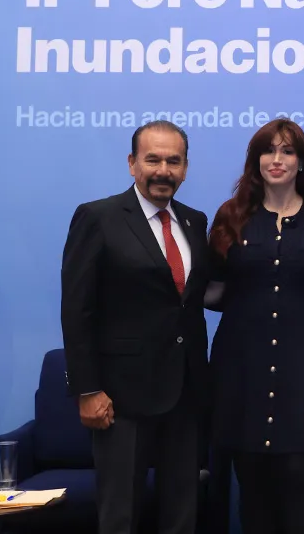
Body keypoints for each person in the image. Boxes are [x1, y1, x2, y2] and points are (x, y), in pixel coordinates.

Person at [61, 120, 210, 534]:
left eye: (173, 161)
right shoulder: (98, 217)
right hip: (120, 398)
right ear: (132, 163)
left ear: (185, 168)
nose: (163, 170)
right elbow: (77, 310)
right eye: (152, 160)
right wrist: (87, 389)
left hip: (186, 393)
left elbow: (192, 299)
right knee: (120, 517)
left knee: (182, 513)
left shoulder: (195, 221)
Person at [206, 118, 304, 534]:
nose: (277, 159)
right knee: (253, 485)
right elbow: (212, 291)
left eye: (287, 151)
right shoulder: (231, 216)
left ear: (301, 162)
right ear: (256, 161)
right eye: (268, 150)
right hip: (240, 370)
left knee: (301, 479)